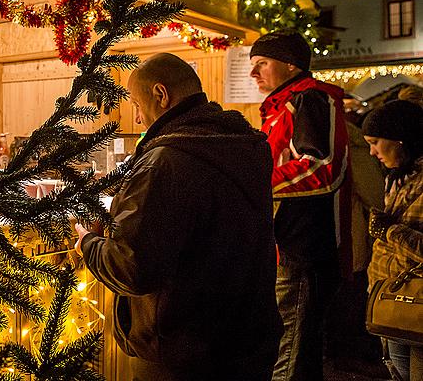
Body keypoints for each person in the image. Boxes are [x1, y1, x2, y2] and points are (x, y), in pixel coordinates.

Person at [75, 53, 282, 380]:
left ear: (160, 94)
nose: (138, 118)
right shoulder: (244, 144)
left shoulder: (166, 161)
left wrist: (87, 242)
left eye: (136, 104)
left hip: (183, 354)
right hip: (248, 341)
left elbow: (132, 268)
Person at [249, 31, 349, 381]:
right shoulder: (280, 106)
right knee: (293, 347)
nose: (253, 73)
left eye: (262, 63)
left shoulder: (310, 99)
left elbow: (322, 167)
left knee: (291, 347)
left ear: (290, 65)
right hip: (284, 243)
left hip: (303, 246)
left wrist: (255, 183)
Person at [362, 100, 423, 381]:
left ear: (400, 138)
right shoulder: (398, 177)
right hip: (393, 302)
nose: (373, 152)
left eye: (376, 142)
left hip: (417, 305)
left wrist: (388, 230)